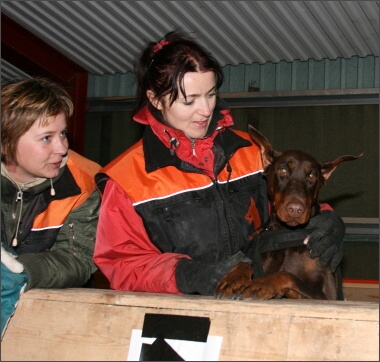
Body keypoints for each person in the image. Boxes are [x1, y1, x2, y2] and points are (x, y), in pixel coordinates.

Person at [93, 30, 345, 296]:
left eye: (211, 94)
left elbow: (285, 198)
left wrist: (326, 218)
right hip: (184, 313)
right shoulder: (127, 178)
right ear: (155, 99)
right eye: (189, 100)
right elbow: (122, 264)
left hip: (257, 297)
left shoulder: (248, 150)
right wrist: (187, 275)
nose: (205, 110)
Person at [1, 77, 101, 338]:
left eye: (63, 133)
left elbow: (79, 259)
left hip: (53, 320)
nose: (62, 147)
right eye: (46, 138)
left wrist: (23, 272)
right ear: (5, 143)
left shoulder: (84, 181)